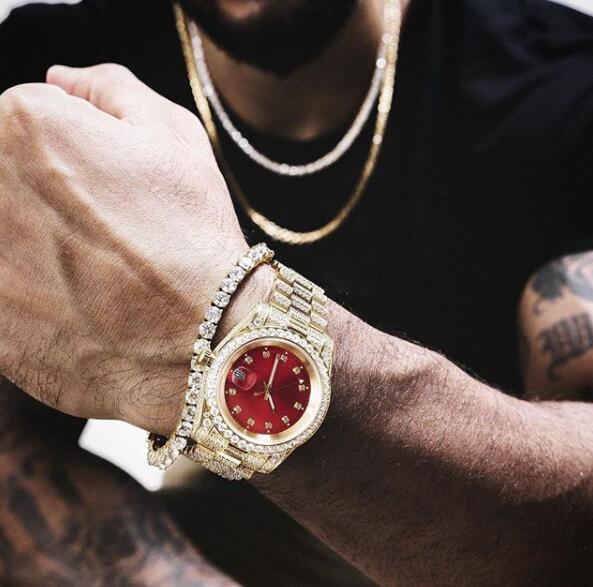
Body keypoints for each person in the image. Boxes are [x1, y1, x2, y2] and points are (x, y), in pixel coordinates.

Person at [1, 0, 593, 585]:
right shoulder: (50, 78)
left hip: (476, 530)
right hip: (229, 531)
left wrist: (218, 318)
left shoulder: (562, 84)